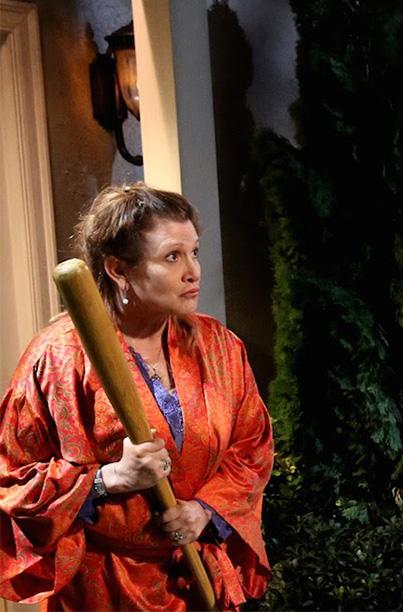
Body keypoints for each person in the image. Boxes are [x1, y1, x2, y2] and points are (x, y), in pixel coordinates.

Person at [0, 184, 273, 609]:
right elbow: (11, 478)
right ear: (117, 269)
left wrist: (204, 510)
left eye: (194, 252)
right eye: (171, 257)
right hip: (105, 589)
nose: (193, 272)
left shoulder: (219, 347)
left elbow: (250, 447)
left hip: (198, 581)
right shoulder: (58, 357)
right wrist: (108, 480)